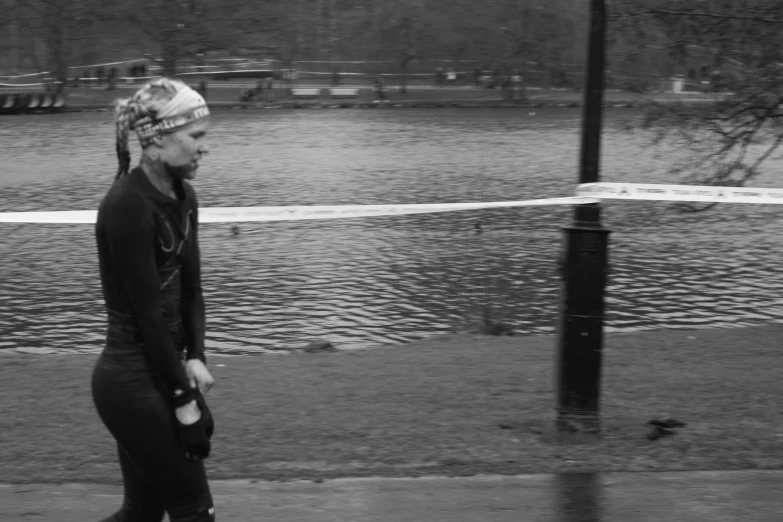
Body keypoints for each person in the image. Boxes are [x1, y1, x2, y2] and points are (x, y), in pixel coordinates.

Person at [92, 77, 217, 522]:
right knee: (195, 512)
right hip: (129, 381)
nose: (205, 148)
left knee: (141, 514)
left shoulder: (185, 196)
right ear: (158, 139)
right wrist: (184, 399)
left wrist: (197, 355)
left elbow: (192, 288)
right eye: (196, 136)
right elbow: (147, 313)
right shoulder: (128, 205)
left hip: (161, 373)